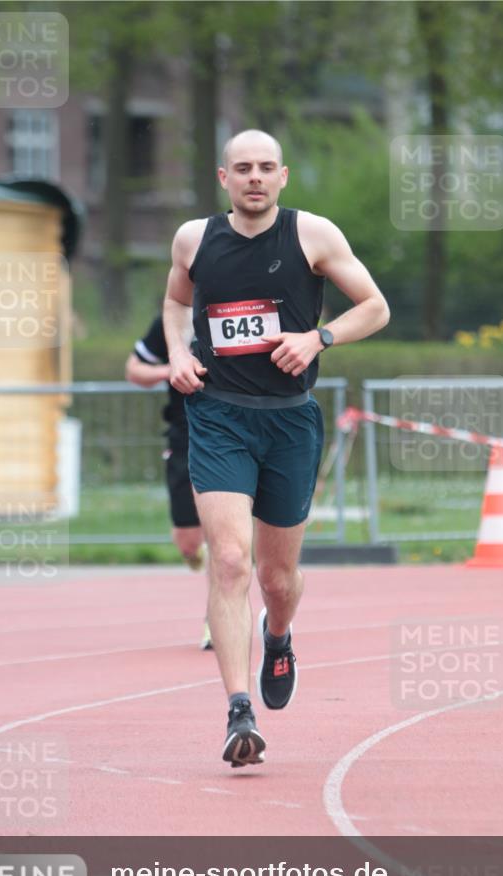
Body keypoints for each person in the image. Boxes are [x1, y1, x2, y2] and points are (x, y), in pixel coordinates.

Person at [163, 129, 390, 767]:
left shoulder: (312, 234)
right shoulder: (193, 239)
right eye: (243, 168)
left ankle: (279, 635)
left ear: (283, 176)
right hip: (218, 416)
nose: (255, 177)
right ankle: (239, 710)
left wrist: (319, 338)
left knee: (276, 578)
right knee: (231, 560)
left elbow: (375, 307)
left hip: (289, 422)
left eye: (266, 167)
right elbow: (176, 301)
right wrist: (178, 353)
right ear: (224, 178)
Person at [125, 314, 212, 650]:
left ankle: (218, 617)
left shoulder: (235, 306)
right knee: (189, 542)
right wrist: (171, 368)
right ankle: (197, 554)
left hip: (226, 432)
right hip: (183, 435)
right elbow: (134, 369)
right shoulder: (171, 320)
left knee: (223, 537)